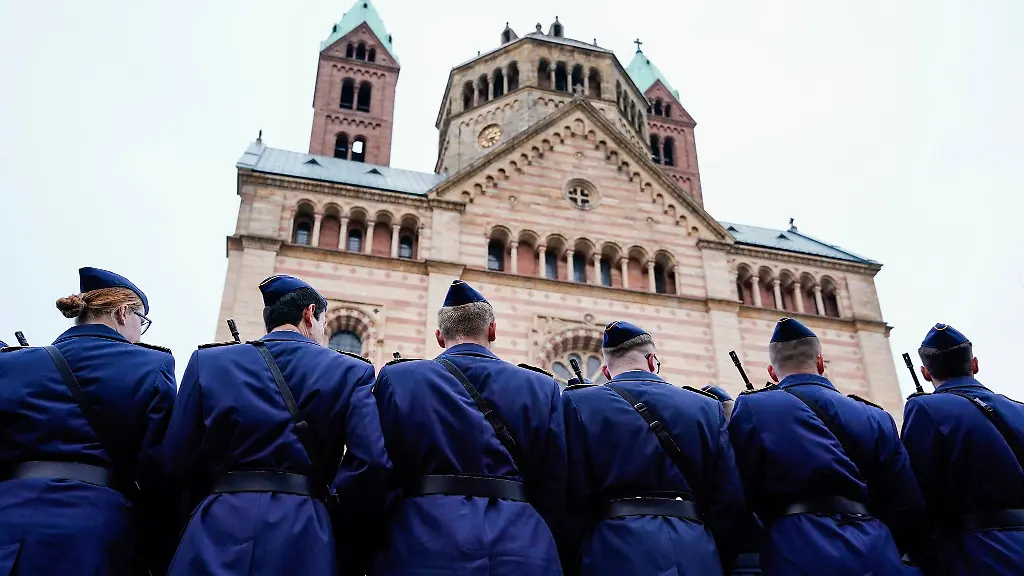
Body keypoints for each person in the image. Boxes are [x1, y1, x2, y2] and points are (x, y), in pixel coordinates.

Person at [164, 274, 390, 576]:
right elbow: (371, 462)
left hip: (216, 524)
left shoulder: (208, 362)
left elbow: (174, 459)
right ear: (309, 314)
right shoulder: (351, 371)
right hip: (305, 531)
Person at [372, 279, 566, 575]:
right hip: (523, 545)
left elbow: (380, 466)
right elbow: (556, 481)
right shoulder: (542, 387)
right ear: (492, 330)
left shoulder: (399, 379)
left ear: (439, 336)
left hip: (423, 541)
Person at [0, 266, 177, 575]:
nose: (140, 332)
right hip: (94, 529)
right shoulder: (152, 365)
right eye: (142, 322)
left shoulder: (12, 362)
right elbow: (159, 468)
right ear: (123, 313)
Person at [727, 317, 929, 575]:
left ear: (772, 372)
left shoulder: (755, 407)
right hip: (877, 548)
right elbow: (906, 500)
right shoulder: (876, 416)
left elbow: (741, 488)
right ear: (821, 362)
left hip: (794, 548)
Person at [561, 320, 745, 575]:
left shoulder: (577, 402)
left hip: (612, 549)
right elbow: (729, 496)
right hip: (696, 549)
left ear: (605, 371)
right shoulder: (705, 407)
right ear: (652, 361)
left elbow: (569, 492)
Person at [902, 323, 1024, 575]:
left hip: (978, 552)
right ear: (975, 364)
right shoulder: (1020, 409)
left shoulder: (925, 408)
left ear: (925, 373)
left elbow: (914, 489)